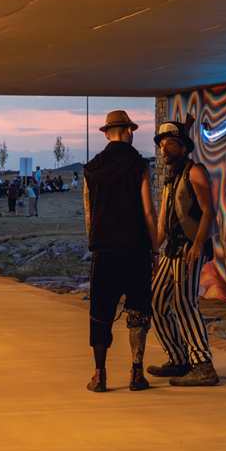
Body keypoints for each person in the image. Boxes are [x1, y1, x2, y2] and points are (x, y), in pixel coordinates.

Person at [81, 110, 158, 393]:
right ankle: (136, 372)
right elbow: (149, 211)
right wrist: (155, 248)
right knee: (138, 310)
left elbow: (89, 213)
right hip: (135, 248)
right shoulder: (139, 164)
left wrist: (95, 240)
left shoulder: (92, 168)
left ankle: (100, 375)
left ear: (105, 133)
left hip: (104, 251)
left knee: (100, 312)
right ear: (129, 131)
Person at [148, 120, 219, 386]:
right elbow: (163, 222)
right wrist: (153, 250)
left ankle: (202, 364)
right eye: (162, 145)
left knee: (184, 303)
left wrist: (199, 244)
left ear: (183, 147)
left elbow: (208, 210)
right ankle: (178, 359)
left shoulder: (194, 172)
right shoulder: (170, 178)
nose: (164, 149)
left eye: (170, 144)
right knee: (155, 302)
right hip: (171, 251)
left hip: (190, 250)